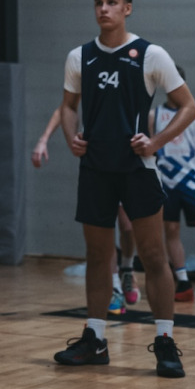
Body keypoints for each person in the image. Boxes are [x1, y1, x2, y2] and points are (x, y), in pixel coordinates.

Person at [52, 0, 195, 378]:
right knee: (99, 256)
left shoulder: (151, 54)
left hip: (137, 169)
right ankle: (95, 340)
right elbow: (68, 106)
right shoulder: (79, 56)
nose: (104, 8)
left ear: (127, 8)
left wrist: (156, 142)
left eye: (112, 2)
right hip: (95, 168)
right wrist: (71, 137)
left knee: (153, 255)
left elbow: (187, 106)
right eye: (98, 2)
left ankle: (165, 341)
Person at [32, 103, 137, 313]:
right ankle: (115, 286)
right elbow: (65, 107)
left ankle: (127, 267)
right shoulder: (86, 83)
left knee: (128, 226)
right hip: (98, 160)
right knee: (105, 228)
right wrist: (43, 140)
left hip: (127, 157)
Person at [149, 73, 195, 304]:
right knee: (171, 229)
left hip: (194, 180)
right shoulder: (155, 115)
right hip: (168, 183)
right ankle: (183, 281)